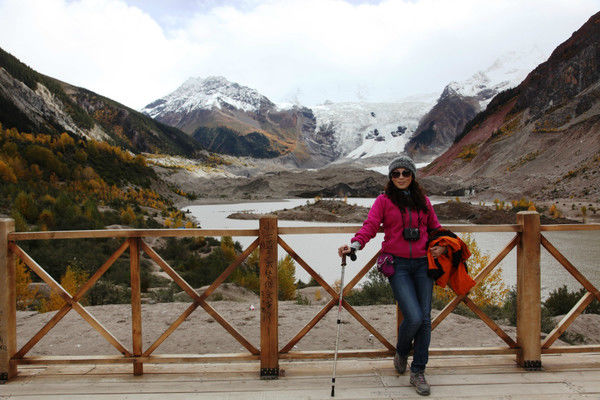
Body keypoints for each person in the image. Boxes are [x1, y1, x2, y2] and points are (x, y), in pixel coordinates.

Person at [338, 155, 445, 396]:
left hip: (423, 264)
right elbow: (370, 226)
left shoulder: (424, 201)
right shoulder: (383, 201)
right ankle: (401, 351)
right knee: (415, 316)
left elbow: (436, 229)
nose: (400, 177)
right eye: (395, 174)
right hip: (397, 266)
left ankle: (418, 371)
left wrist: (443, 246)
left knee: (425, 319)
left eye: (405, 173)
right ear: (390, 177)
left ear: (412, 176)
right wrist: (355, 245)